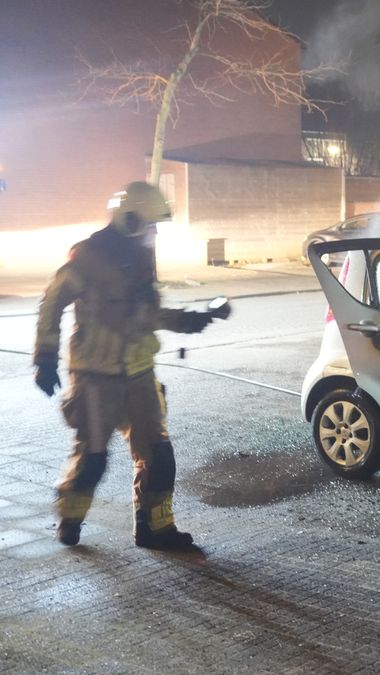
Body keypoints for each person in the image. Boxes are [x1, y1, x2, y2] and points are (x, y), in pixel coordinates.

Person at [34, 181, 218, 549]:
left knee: (159, 455)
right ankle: (70, 518)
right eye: (150, 225)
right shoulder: (87, 256)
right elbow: (52, 302)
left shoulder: (141, 257)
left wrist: (189, 320)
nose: (153, 233)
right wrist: (45, 357)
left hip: (138, 373)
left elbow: (145, 312)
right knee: (93, 459)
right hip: (95, 376)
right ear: (130, 219)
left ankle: (156, 529)